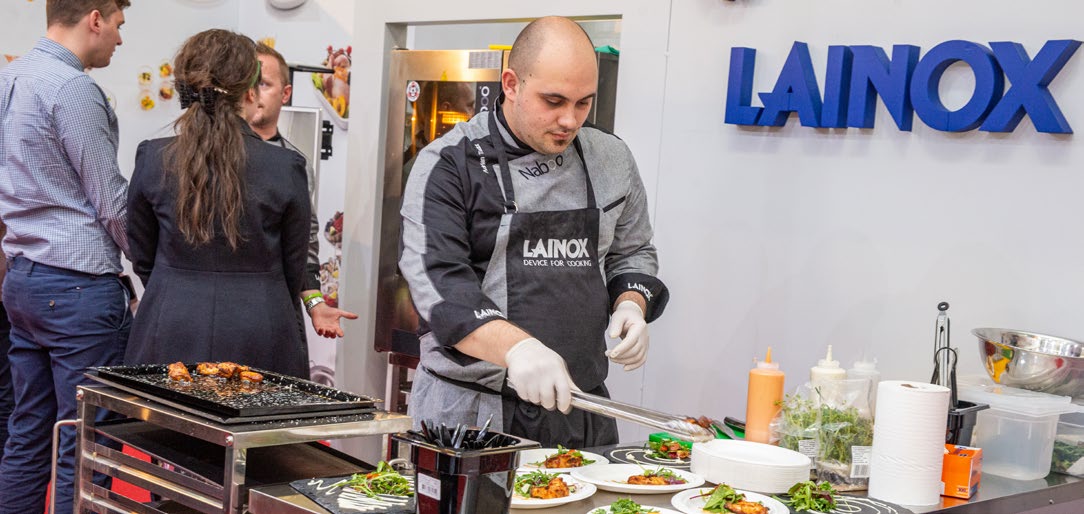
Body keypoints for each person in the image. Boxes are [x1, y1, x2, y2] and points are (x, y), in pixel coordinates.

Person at [399, 16, 669, 448]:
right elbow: (439, 285)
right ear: (511, 84)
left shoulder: (611, 158)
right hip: (473, 413)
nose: (569, 120)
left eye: (583, 103)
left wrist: (631, 304)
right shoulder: (449, 164)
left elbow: (632, 250)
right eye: (553, 101)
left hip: (581, 409)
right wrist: (518, 348)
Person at [0, 1, 132, 513]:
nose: (119, 39)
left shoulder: (10, 78)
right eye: (118, 25)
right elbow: (112, 203)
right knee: (84, 442)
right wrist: (155, 270)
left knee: (28, 431)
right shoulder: (73, 88)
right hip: (76, 287)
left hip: (23, 279)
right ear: (95, 18)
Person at [124, 29, 311, 377]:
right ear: (249, 91)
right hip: (262, 325)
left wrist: (174, 283)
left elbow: (141, 253)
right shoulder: (285, 167)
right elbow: (294, 264)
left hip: (169, 320)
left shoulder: (153, 158)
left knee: (166, 415)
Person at [245, 42, 358, 339]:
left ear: (285, 94)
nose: (253, 94)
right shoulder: (211, 155)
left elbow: (304, 241)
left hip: (272, 309)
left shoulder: (294, 164)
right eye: (248, 84)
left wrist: (315, 303)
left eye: (264, 84)